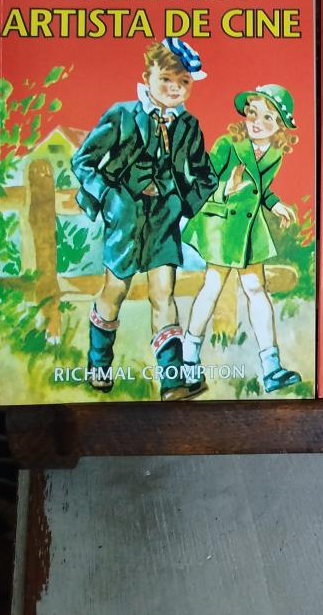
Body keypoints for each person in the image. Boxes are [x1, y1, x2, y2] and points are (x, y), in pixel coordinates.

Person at [71, 39, 218, 400]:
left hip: (163, 218)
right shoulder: (122, 115)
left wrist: (183, 205)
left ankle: (172, 381)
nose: (175, 89)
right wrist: (109, 197)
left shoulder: (188, 126)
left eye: (184, 82)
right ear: (147, 77)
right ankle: (99, 363)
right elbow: (83, 161)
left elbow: (206, 176)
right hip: (125, 216)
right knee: (116, 289)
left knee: (163, 294)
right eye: (166, 79)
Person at [181, 85, 302, 394]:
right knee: (211, 288)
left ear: (280, 128)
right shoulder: (228, 143)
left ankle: (271, 368)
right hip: (221, 227)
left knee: (256, 290)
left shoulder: (274, 154)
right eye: (253, 113)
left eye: (268, 118)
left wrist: (276, 204)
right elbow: (203, 180)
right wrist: (227, 188)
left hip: (249, 231)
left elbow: (262, 189)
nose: (257, 122)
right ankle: (188, 360)